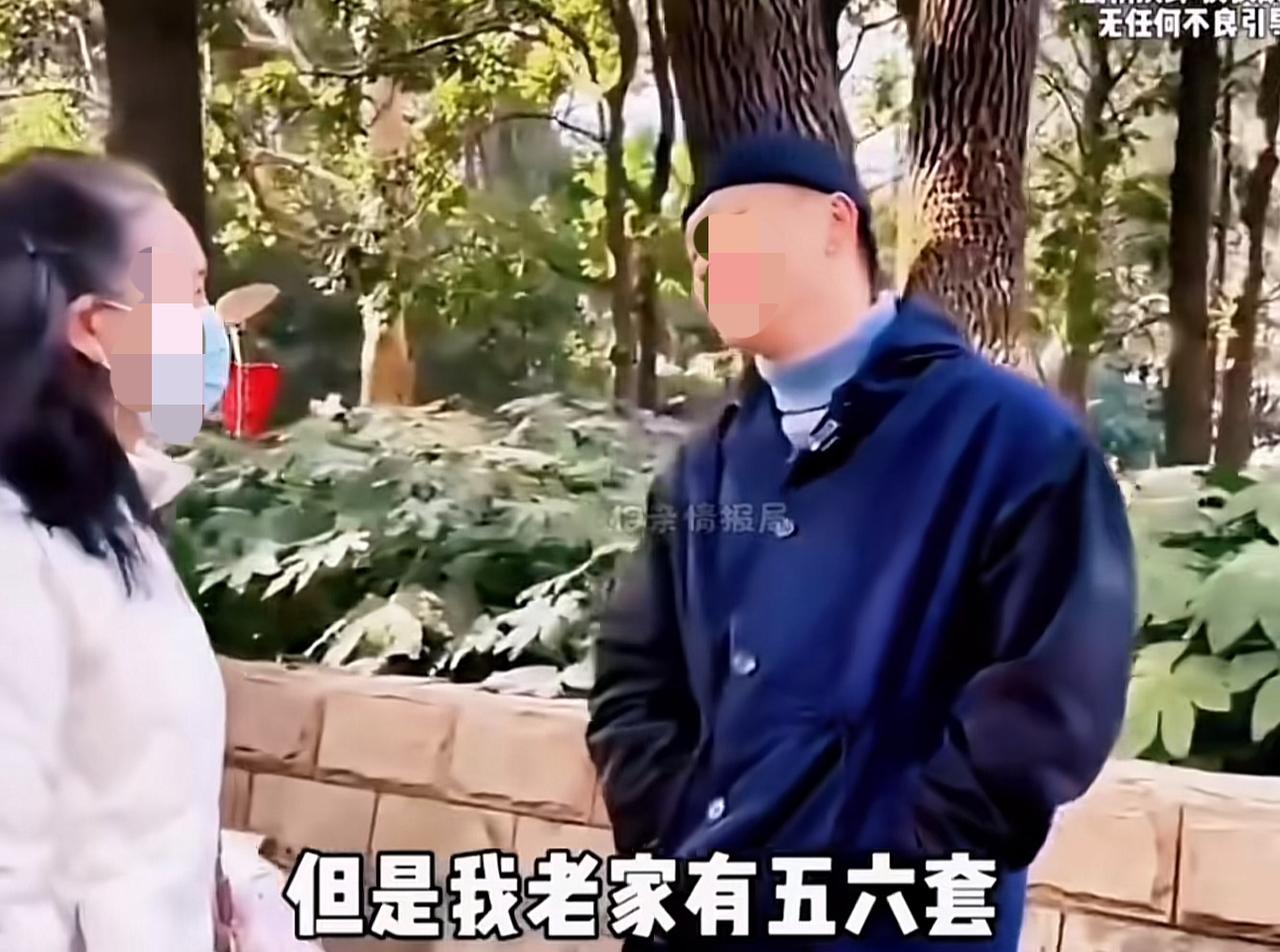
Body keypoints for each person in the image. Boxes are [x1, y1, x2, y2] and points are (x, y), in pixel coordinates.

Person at [586, 131, 1137, 951]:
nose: (710, 264)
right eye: (700, 247)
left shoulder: (1014, 444)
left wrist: (896, 864)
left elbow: (1050, 700)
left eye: (737, 227)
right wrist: (673, 830)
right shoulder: (702, 474)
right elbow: (633, 681)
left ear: (836, 226)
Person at [0, 150, 233, 952]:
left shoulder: (117, 520)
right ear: (98, 328)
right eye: (192, 294)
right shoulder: (16, 552)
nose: (215, 328)